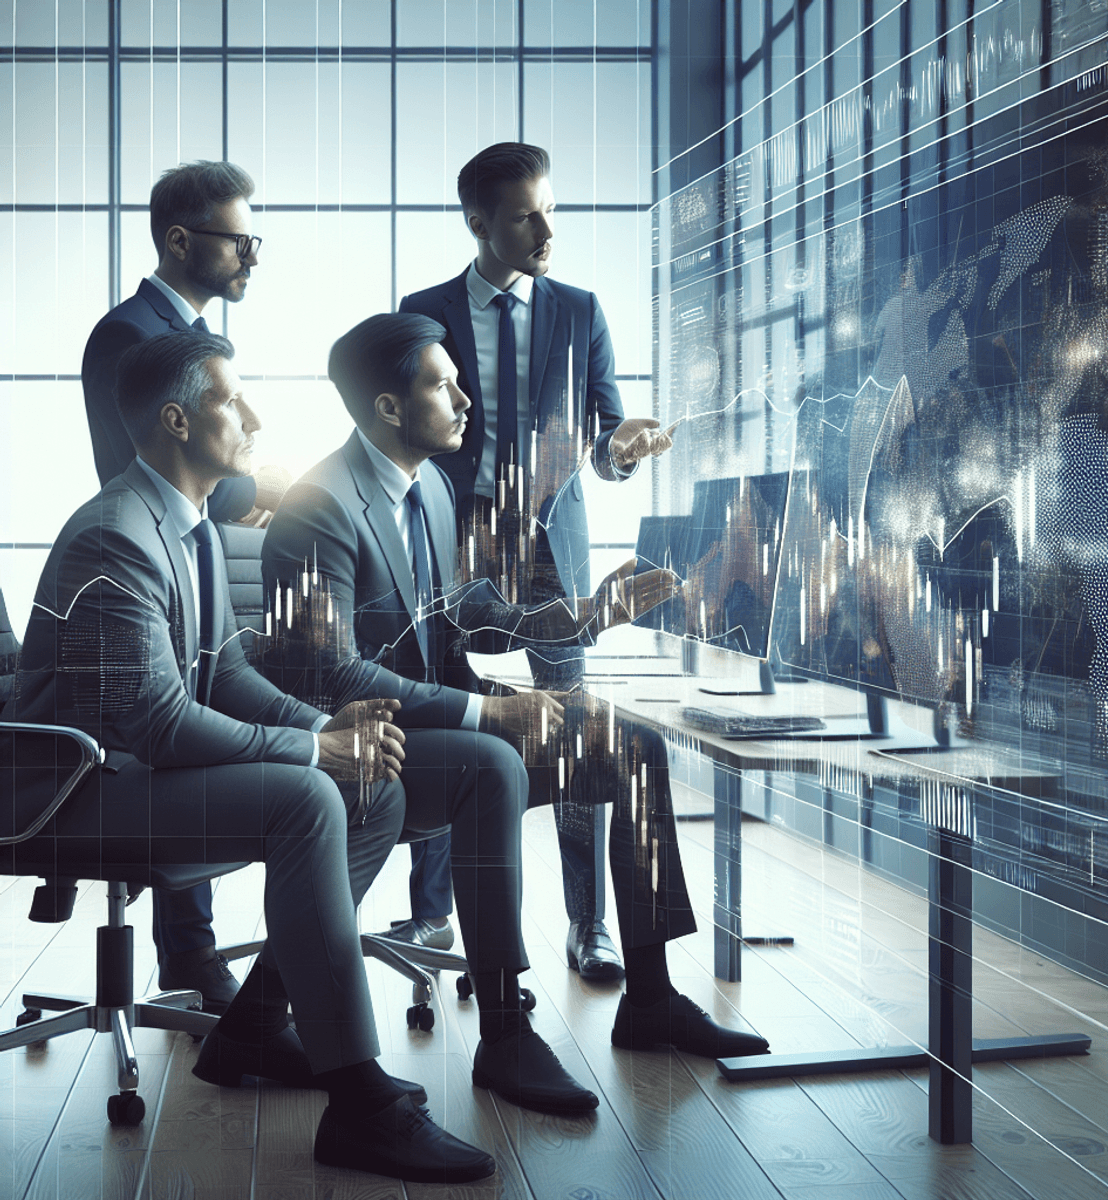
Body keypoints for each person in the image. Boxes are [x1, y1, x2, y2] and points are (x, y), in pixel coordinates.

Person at [13, 331, 495, 1183]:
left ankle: (257, 1025)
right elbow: (158, 724)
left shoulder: (190, 523)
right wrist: (318, 746)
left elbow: (224, 673)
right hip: (73, 788)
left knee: (370, 791)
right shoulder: (115, 536)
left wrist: (336, 738)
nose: (255, 416)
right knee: (310, 796)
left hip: (132, 772)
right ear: (175, 420)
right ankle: (360, 1102)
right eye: (231, 400)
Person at [260, 314, 769, 1118]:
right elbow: (328, 671)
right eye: (439, 383)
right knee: (492, 763)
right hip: (365, 745)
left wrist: (585, 617)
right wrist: (490, 714)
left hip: (437, 717)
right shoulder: (317, 507)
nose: (465, 397)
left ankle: (652, 999)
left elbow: (466, 616)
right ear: (389, 408)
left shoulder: (426, 483)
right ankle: (503, 1032)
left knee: (630, 744)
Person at [397, 142, 674, 981]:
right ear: (480, 223)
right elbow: (411, 424)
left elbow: (606, 440)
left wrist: (621, 454)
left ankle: (588, 925)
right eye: (526, 215)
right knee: (452, 713)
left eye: (551, 209)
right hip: (458, 536)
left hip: (552, 545)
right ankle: (433, 914)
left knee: (572, 728)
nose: (547, 228)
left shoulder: (580, 309)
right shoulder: (425, 309)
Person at [80, 160, 289, 1013]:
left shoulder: (188, 332)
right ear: (180, 239)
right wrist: (258, 490)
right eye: (240, 239)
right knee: (184, 722)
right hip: (156, 558)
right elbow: (146, 473)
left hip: (197, 551)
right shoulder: (131, 336)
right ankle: (191, 956)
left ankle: (193, 954)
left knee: (225, 697)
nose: (252, 256)